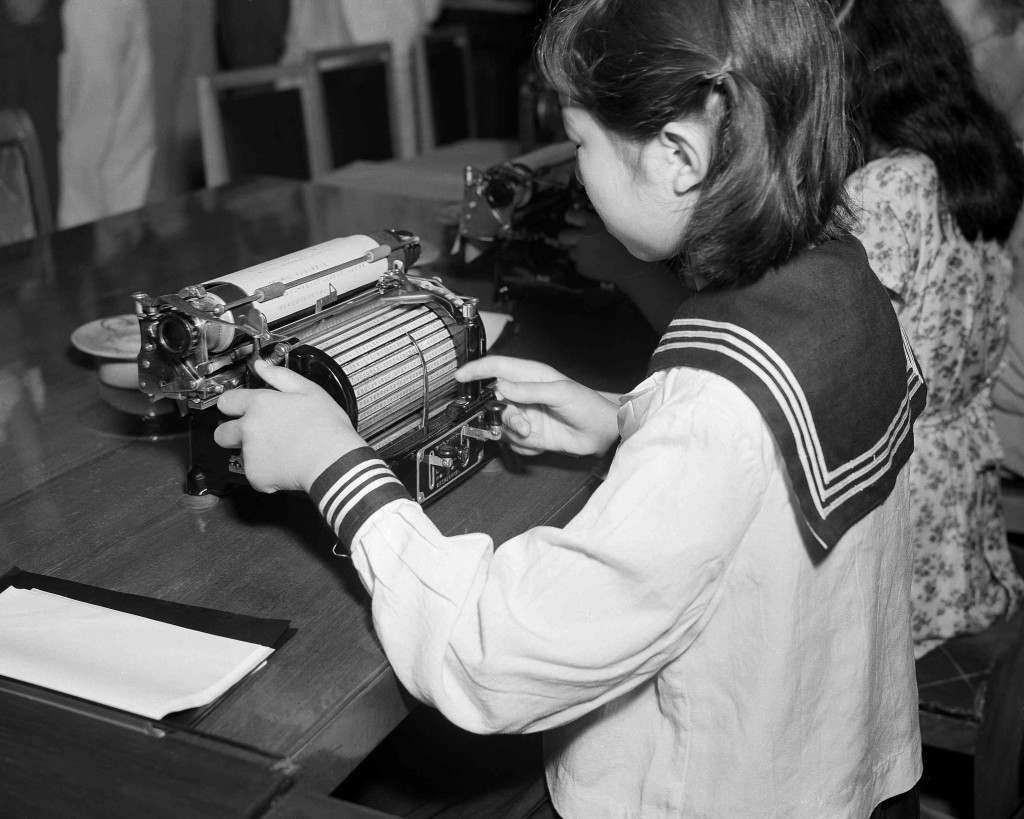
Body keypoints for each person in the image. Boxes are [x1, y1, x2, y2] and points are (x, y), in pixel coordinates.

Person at [215, 0, 925, 815]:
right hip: (835, 774)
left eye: (580, 143)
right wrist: (628, 416)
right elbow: (764, 479)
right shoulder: (843, 282)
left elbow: (495, 656)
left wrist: (331, 463)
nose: (575, 169)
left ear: (678, 156)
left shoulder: (712, 412)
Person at [834, 0, 1024, 658]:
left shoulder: (886, 188)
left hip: (900, 493)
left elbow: (846, 348)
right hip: (957, 485)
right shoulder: (972, 172)